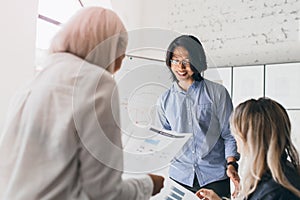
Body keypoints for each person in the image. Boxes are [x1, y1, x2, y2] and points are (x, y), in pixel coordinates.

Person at [0, 7, 164, 200]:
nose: (118, 67)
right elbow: (105, 194)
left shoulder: (35, 81)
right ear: (108, 49)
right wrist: (148, 184)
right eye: (120, 55)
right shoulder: (98, 84)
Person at [155, 35, 240, 198]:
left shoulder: (217, 93)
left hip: (214, 176)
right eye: (175, 60)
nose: (181, 67)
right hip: (179, 177)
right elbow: (165, 139)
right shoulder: (164, 100)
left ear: (197, 60)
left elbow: (229, 134)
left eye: (186, 61)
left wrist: (231, 164)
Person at [196, 98, 300, 200]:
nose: (238, 148)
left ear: (252, 140)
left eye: (237, 137)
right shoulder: (283, 174)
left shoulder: (275, 191)